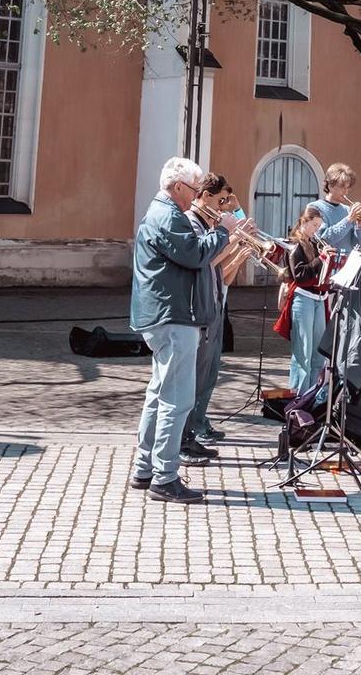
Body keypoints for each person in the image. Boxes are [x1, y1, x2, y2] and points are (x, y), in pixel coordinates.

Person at [130, 155, 229, 503]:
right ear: (176, 187)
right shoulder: (168, 216)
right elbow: (194, 254)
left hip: (165, 315)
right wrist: (224, 232)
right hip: (174, 317)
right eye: (194, 187)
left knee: (159, 394)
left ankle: (145, 468)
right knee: (177, 399)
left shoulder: (163, 213)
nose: (198, 193)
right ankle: (165, 477)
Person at [185, 172, 237, 449]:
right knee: (196, 374)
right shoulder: (194, 224)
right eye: (221, 201)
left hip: (214, 304)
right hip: (201, 309)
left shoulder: (208, 225)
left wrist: (237, 242)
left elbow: (217, 266)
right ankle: (190, 432)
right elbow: (207, 260)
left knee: (210, 371)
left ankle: (197, 425)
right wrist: (229, 237)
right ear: (205, 196)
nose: (222, 208)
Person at [286, 204, 330, 390]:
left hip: (319, 298)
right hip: (303, 299)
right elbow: (300, 275)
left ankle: (313, 394)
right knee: (303, 351)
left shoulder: (315, 243)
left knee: (318, 351)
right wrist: (320, 259)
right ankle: (298, 396)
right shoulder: (296, 245)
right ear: (304, 222)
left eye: (319, 226)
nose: (316, 230)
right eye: (314, 225)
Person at [313, 162, 361, 260]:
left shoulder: (347, 210)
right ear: (330, 185)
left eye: (347, 188)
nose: (346, 192)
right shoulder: (316, 207)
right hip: (328, 265)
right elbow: (324, 238)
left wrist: (359, 226)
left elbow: (360, 246)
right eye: (342, 187)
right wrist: (349, 219)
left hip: (347, 265)